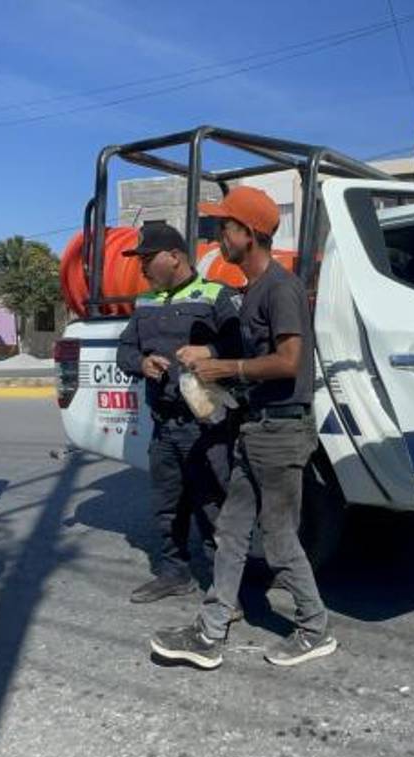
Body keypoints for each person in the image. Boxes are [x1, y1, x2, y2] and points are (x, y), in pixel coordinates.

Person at [150, 186, 335, 669]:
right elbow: (255, 352)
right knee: (231, 531)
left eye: (224, 227)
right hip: (256, 430)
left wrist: (226, 367)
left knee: (278, 539)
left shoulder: (280, 288)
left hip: (280, 433)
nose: (217, 237)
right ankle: (210, 632)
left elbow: (290, 361)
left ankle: (315, 628)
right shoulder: (252, 290)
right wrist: (212, 355)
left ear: (248, 233)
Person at [116, 223, 242, 602]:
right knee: (167, 506)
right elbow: (124, 352)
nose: (141, 267)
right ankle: (175, 574)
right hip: (164, 425)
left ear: (174, 256)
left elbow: (243, 344)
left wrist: (210, 352)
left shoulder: (216, 295)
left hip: (205, 425)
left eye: (146, 259)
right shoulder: (145, 302)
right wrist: (142, 362)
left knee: (213, 505)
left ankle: (224, 591)